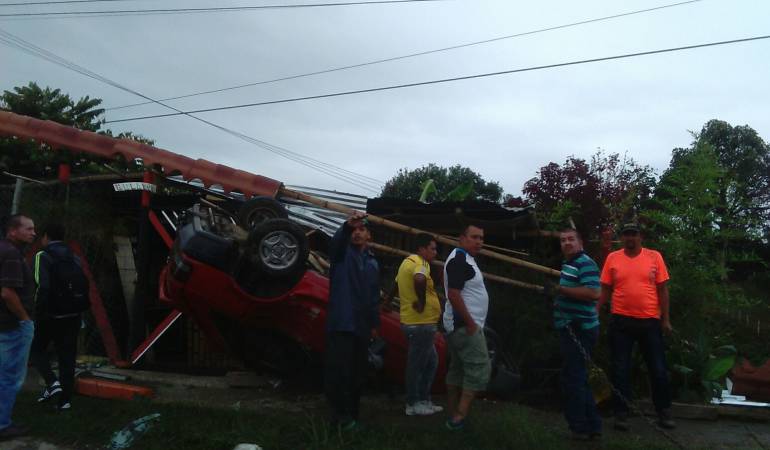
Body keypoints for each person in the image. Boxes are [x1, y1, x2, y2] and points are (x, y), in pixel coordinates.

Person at [598, 223, 675, 431]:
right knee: (620, 369)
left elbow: (663, 290)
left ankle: (664, 411)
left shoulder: (654, 257)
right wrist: (595, 311)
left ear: (641, 236)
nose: (630, 238)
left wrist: (666, 319)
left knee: (658, 369)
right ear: (622, 238)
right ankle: (621, 413)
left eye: (634, 234)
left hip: (650, 321)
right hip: (621, 321)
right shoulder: (613, 258)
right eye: (626, 234)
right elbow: (605, 289)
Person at [324, 211, 380, 431]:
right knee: (340, 373)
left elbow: (373, 297)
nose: (357, 233)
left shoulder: (372, 262)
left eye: (361, 229)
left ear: (369, 235)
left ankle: (353, 416)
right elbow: (336, 242)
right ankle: (339, 418)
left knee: (357, 374)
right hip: (342, 323)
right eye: (354, 230)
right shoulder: (341, 255)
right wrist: (347, 226)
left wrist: (374, 324)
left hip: (362, 326)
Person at [548, 228, 601, 440]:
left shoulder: (585, 263)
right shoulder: (569, 263)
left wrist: (560, 290)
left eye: (571, 239)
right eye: (563, 240)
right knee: (578, 377)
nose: (567, 243)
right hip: (571, 327)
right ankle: (592, 425)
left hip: (580, 329)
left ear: (580, 242)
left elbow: (593, 292)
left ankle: (580, 428)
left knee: (574, 378)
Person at [31, 223, 87, 411]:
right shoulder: (74, 256)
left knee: (36, 349)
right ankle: (65, 401)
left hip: (50, 314)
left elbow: (42, 286)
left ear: (46, 236)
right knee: (67, 356)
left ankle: (51, 382)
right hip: (73, 314)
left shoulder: (43, 255)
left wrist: (37, 311)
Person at [442, 224, 490, 431]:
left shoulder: (465, 258)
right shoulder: (458, 260)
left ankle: (453, 413)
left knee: (458, 369)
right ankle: (459, 417)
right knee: (478, 369)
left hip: (461, 326)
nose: (479, 241)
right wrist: (470, 323)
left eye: (481, 238)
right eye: (474, 237)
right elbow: (454, 294)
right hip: (465, 327)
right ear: (462, 238)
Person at [395, 233, 443, 416]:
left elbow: (396, 284)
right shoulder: (421, 263)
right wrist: (422, 302)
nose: (435, 252)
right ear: (422, 249)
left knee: (431, 361)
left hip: (417, 323)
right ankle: (413, 403)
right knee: (417, 364)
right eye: (432, 248)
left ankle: (423, 399)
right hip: (420, 323)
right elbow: (420, 279)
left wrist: (387, 302)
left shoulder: (406, 262)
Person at [0, 214, 36, 440]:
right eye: (28, 229)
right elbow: (7, 293)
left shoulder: (3, 249)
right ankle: (2, 425)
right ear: (13, 231)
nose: (34, 233)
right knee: (9, 376)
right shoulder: (12, 254)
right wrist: (25, 319)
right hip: (11, 325)